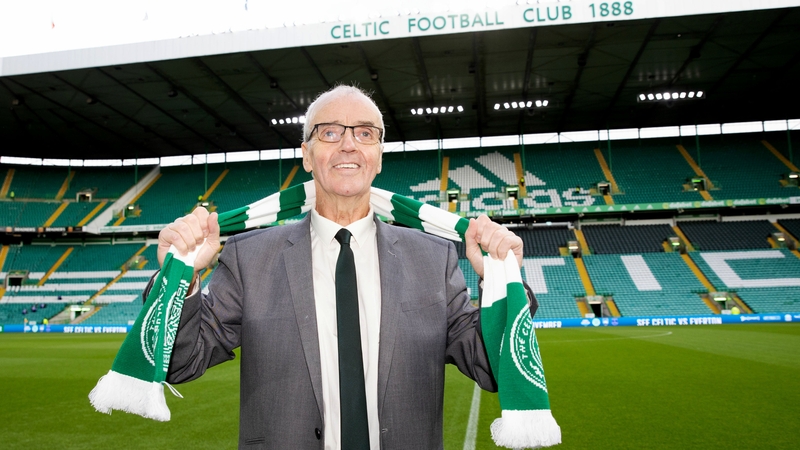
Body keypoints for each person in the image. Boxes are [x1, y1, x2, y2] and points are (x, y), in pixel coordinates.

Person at [156, 85, 537, 449]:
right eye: (330, 132)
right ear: (306, 154)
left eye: (365, 133)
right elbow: (179, 361)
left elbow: (491, 366)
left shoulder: (433, 258)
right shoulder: (250, 257)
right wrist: (182, 278)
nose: (349, 144)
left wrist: (504, 283)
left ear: (379, 156)